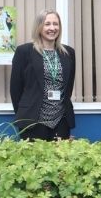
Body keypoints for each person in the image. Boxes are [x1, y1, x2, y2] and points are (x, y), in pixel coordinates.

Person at [10, 11, 76, 141]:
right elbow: (15, 89)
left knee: (59, 160)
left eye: (55, 24)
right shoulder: (24, 52)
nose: (52, 28)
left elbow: (68, 88)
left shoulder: (68, 53)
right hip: (32, 121)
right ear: (39, 27)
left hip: (61, 121)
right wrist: (24, 113)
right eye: (47, 24)